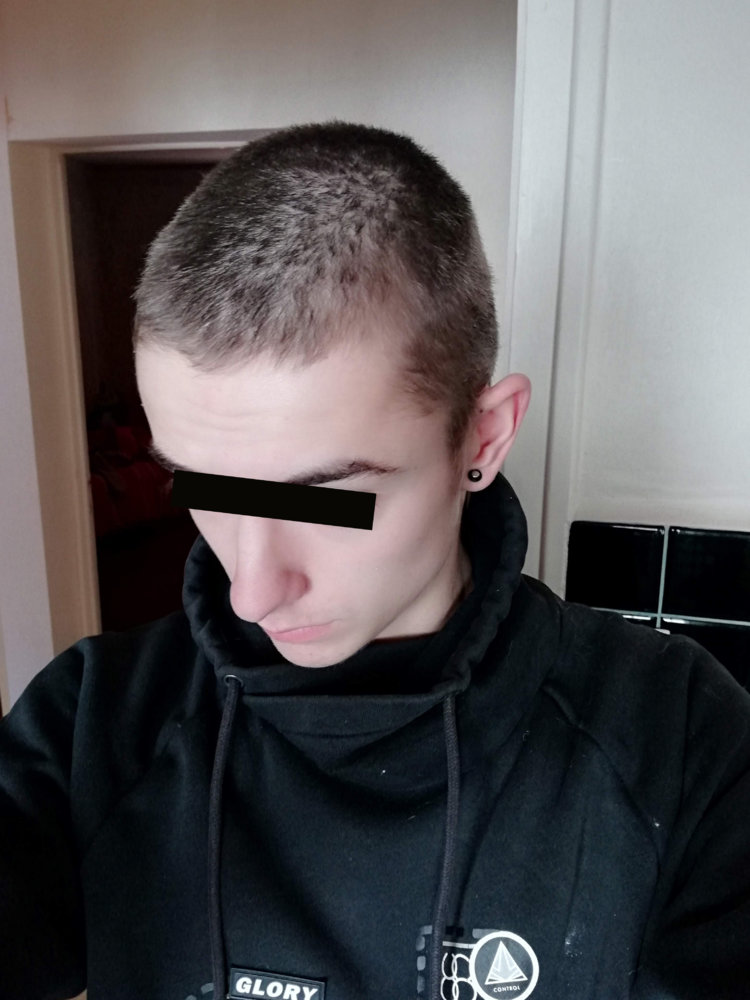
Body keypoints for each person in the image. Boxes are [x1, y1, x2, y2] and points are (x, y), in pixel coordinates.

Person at [1, 121, 749, 1000]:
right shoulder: (90, 724)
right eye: (201, 488)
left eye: (326, 497)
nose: (252, 592)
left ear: (483, 436)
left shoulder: (681, 744)